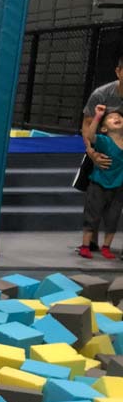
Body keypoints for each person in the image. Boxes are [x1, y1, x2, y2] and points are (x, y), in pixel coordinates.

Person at [79, 105, 123, 259]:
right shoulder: (104, 141)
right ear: (104, 128)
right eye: (111, 118)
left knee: (113, 218)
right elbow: (90, 136)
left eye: (119, 117)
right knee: (92, 216)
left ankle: (106, 247)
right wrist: (97, 117)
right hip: (99, 185)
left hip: (118, 187)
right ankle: (85, 246)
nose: (116, 118)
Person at [83, 55, 123, 171]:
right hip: (104, 150)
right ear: (118, 72)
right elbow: (87, 124)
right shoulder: (101, 95)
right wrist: (92, 153)